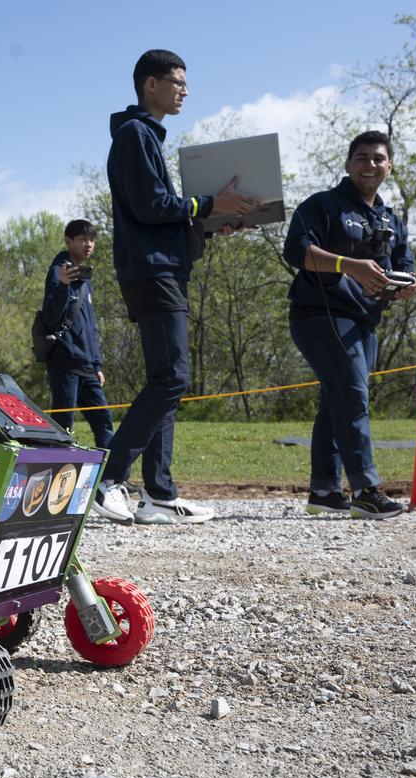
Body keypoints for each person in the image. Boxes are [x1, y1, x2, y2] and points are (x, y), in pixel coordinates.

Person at [94, 49, 258, 526]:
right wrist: (208, 202)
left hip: (161, 266)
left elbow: (160, 213)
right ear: (150, 84)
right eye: (177, 82)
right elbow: (150, 205)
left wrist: (211, 222)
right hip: (151, 271)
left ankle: (159, 494)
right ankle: (109, 479)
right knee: (172, 378)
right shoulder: (134, 134)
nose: (185, 91)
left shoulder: (144, 136)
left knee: (165, 381)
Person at [282, 130, 416, 520]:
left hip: (365, 321)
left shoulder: (391, 219)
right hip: (319, 314)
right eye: (362, 157)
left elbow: (404, 265)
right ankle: (366, 490)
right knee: (353, 397)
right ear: (348, 164)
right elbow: (297, 251)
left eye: (378, 158)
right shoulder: (321, 206)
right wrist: (347, 265)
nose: (370, 165)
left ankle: (325, 491)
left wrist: (407, 283)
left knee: (337, 400)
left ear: (389, 165)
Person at [42, 219, 113, 449]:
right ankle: (57, 475)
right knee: (64, 427)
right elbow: (51, 318)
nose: (89, 244)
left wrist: (97, 364)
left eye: (91, 240)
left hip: (88, 367)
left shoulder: (83, 277)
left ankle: (109, 479)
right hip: (65, 365)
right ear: (68, 240)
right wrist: (62, 285)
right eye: (83, 239)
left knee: (104, 422)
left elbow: (89, 325)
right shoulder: (58, 271)